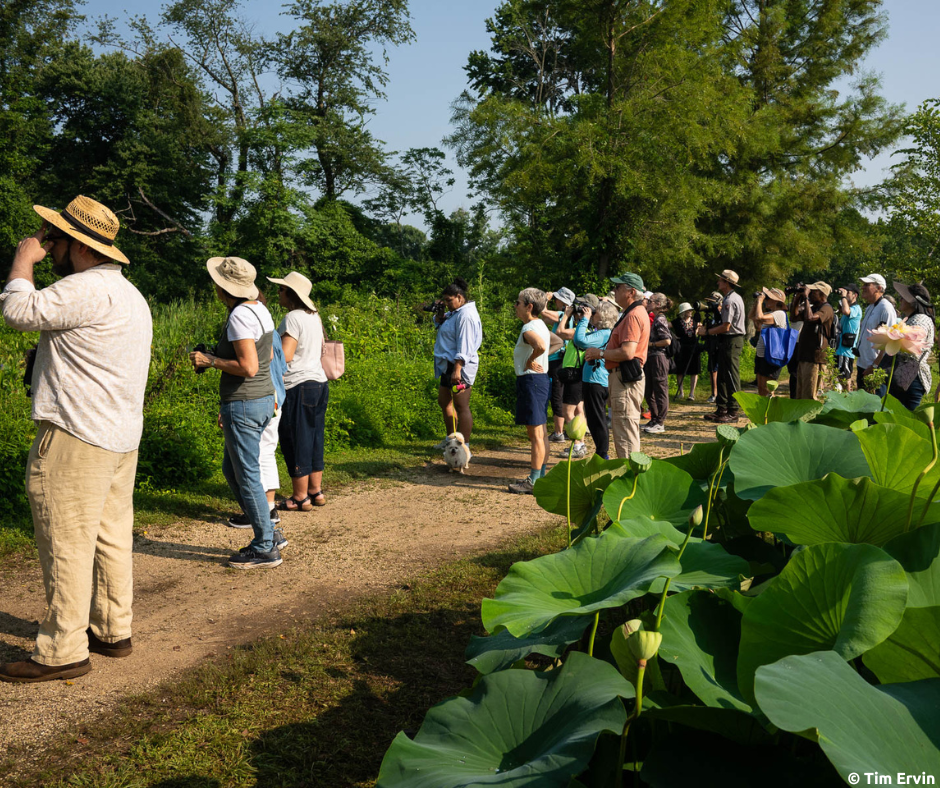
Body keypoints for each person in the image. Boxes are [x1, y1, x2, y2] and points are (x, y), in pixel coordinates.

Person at [0, 196, 152, 683]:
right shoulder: (129, 294)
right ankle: (112, 628)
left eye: (55, 237)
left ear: (76, 245)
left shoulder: (82, 288)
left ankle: (63, 650)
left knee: (66, 540)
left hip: (74, 435)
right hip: (119, 436)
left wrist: (24, 259)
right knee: (110, 537)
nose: (49, 243)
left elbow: (19, 311)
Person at [190, 257, 281, 569]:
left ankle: (265, 546)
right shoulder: (259, 309)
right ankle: (269, 532)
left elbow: (248, 366)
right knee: (233, 470)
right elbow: (263, 356)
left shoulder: (241, 316)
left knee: (247, 474)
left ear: (222, 287)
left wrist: (209, 361)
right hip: (259, 399)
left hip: (244, 402)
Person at [266, 271, 331, 510]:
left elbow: (287, 354)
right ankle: (316, 490)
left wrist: (265, 356)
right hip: (319, 383)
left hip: (297, 385)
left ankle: (299, 496)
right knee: (314, 437)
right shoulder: (314, 315)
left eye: (282, 289)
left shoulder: (292, 317)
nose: (278, 293)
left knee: (296, 439)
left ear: (291, 294)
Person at [227, 316, 288, 531]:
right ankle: (268, 508)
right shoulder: (271, 327)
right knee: (266, 452)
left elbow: (256, 366)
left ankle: (263, 514)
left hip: (259, 397)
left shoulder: (249, 330)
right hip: (274, 397)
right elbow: (283, 365)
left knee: (255, 459)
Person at [584, 272, 649, 458]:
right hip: (622, 378)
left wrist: (600, 353)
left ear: (631, 292)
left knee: (625, 434)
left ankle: (629, 481)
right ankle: (629, 478)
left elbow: (628, 352)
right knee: (623, 430)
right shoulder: (633, 313)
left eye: (618, 287)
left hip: (625, 379)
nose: (614, 291)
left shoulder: (633, 315)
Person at [508, 288, 552, 495]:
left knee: (535, 434)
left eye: (517, 303)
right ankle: (540, 477)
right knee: (541, 432)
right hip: (540, 380)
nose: (515, 306)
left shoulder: (529, 329)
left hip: (531, 380)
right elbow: (557, 342)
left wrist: (530, 360)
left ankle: (534, 481)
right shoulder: (541, 324)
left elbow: (541, 346)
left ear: (529, 306)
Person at [431, 277, 483, 446]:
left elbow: (465, 344)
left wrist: (458, 369)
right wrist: (439, 314)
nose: (446, 304)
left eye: (449, 300)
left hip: (460, 366)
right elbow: (440, 323)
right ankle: (451, 439)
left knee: (461, 405)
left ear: (460, 297)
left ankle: (464, 445)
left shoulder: (466, 315)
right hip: (449, 365)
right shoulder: (456, 312)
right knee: (444, 401)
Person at [875, 282, 935, 410]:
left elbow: (913, 344)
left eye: (903, 297)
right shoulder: (911, 318)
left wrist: (890, 335)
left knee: (905, 422)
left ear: (914, 301)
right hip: (904, 377)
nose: (900, 299)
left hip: (911, 379)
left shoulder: (921, 319)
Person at [573, 300, 619, 459]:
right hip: (599, 380)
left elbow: (579, 340)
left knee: (596, 419)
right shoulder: (604, 332)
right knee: (597, 418)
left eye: (596, 312)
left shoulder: (604, 334)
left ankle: (602, 453)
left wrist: (585, 318)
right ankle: (602, 452)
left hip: (595, 382)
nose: (593, 313)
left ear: (603, 316)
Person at [699, 270, 745, 423]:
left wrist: (707, 331)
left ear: (726, 282)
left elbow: (726, 326)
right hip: (728, 339)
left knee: (731, 375)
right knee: (723, 375)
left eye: (720, 280)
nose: (718, 282)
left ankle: (733, 410)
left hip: (732, 339)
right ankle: (722, 408)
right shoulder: (730, 298)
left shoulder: (729, 300)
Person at [541, 288, 576, 444]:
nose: (555, 301)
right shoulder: (564, 317)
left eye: (556, 299)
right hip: (560, 359)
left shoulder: (562, 315)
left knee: (557, 395)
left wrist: (545, 299)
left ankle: (559, 432)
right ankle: (562, 430)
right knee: (560, 395)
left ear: (563, 302)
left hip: (557, 360)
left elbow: (542, 312)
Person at [789, 282, 835, 400]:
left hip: (815, 358)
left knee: (810, 395)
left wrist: (805, 297)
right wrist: (798, 297)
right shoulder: (813, 307)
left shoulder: (827, 308)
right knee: (800, 393)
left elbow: (810, 318)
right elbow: (793, 317)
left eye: (813, 292)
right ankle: (802, 418)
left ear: (822, 294)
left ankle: (811, 418)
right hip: (804, 355)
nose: (810, 294)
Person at [857, 274, 897, 392]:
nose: (862, 287)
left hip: (874, 368)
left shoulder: (886, 308)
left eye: (867, 285)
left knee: (873, 406)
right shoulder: (871, 307)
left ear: (879, 288)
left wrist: (874, 366)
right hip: (863, 364)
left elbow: (889, 342)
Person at [643, 294, 673, 434]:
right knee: (649, 390)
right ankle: (654, 418)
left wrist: (651, 344)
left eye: (650, 301)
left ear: (658, 303)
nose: (647, 303)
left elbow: (667, 340)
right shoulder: (655, 318)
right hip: (652, 357)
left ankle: (660, 421)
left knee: (660, 390)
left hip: (658, 357)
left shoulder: (660, 318)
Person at [750, 287, 788, 396]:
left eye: (768, 298)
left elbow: (759, 317)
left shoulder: (780, 314)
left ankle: (771, 412)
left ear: (776, 301)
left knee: (768, 390)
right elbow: (752, 317)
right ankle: (764, 412)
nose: (766, 300)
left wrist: (761, 300)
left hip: (772, 356)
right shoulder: (771, 313)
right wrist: (757, 301)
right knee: (761, 388)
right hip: (763, 355)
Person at [835, 284, 863, 388]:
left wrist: (843, 297)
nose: (846, 295)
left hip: (846, 350)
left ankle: (848, 398)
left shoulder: (856, 308)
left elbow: (846, 311)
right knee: (839, 376)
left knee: (845, 378)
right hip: (841, 348)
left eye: (848, 293)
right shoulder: (850, 307)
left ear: (855, 295)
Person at [672, 302, 701, 401]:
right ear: (683, 312)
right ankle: (681, 392)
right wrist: (674, 337)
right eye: (689, 310)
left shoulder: (696, 321)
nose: (691, 312)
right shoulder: (676, 322)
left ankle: (692, 393)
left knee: (694, 370)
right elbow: (665, 327)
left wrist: (698, 331)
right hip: (681, 348)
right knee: (680, 370)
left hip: (693, 347)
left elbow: (701, 328)